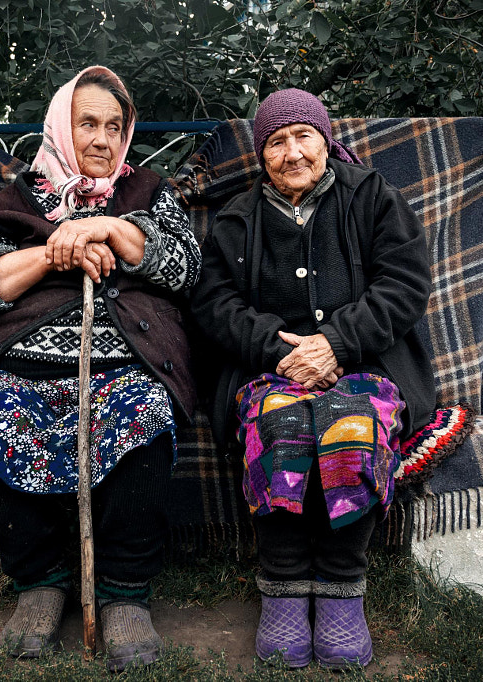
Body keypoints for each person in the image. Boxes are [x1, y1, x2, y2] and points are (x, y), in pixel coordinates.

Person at [0, 66, 201, 672]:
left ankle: (124, 594)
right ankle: (41, 583)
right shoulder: (17, 201)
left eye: (114, 126)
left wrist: (109, 226)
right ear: (62, 127)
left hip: (126, 363)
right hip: (25, 368)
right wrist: (52, 251)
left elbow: (185, 268)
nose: (102, 139)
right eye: (88, 124)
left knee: (144, 410)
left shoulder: (150, 194)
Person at [190, 89, 436, 670]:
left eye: (303, 136)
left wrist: (337, 344)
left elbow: (404, 285)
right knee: (280, 421)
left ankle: (342, 591)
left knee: (349, 423)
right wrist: (277, 350)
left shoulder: (372, 197)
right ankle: (282, 587)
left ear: (325, 140)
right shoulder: (236, 220)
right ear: (262, 155)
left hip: (363, 367)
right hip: (267, 371)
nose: (292, 152)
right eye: (276, 142)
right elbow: (213, 303)